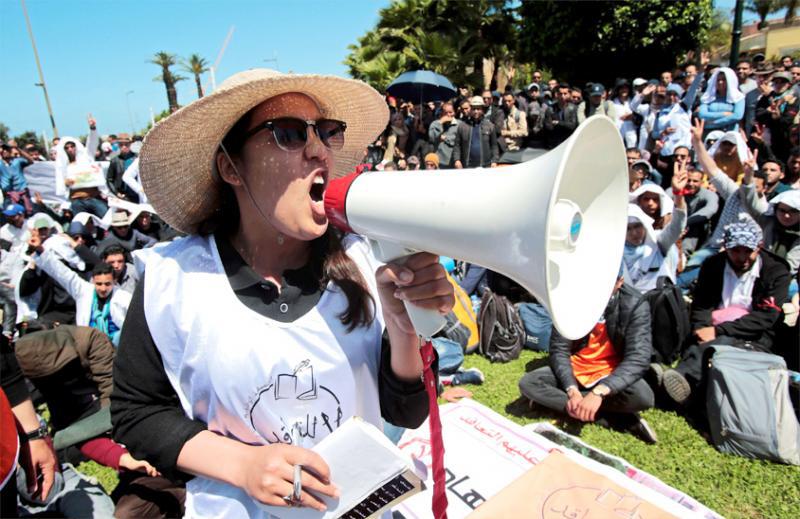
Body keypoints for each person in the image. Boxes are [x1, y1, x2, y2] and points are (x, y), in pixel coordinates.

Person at [110, 68, 453, 516]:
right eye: (288, 133)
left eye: (328, 132)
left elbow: (405, 413)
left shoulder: (364, 262)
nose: (319, 150)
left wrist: (404, 329)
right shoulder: (171, 280)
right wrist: (244, 465)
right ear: (231, 167)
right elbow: (136, 412)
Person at [660, 220, 791, 406]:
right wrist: (702, 329)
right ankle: (680, 385)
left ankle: (683, 379)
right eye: (736, 251)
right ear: (726, 248)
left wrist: (719, 331)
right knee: (695, 340)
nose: (742, 257)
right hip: (713, 326)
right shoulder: (713, 265)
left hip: (754, 335)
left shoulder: (776, 272)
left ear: (759, 247)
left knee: (721, 345)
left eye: (748, 251)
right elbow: (702, 305)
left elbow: (766, 317)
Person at [518, 275, 657, 444]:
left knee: (643, 397)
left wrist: (599, 392)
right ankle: (618, 419)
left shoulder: (635, 304)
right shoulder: (572, 297)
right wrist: (572, 390)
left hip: (611, 372)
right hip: (577, 366)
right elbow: (559, 349)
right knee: (530, 383)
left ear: (619, 282)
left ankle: (555, 405)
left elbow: (638, 358)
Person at [30, 232, 131, 345]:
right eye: (99, 284)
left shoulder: (124, 298)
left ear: (114, 282)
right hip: (89, 346)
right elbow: (62, 273)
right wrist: (40, 249)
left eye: (107, 284)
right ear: (93, 281)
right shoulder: (84, 291)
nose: (103, 288)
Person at [453, 96, 499, 169]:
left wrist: (494, 160)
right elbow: (457, 145)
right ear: (470, 109)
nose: (476, 111)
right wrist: (457, 160)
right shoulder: (462, 126)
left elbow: (494, 146)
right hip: (467, 166)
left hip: (486, 166)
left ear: (482, 110)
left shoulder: (490, 126)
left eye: (478, 109)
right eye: (474, 109)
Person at [698, 67, 745, 132]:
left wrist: (715, 123)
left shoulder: (738, 97)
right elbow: (702, 114)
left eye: (724, 80)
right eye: (718, 80)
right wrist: (724, 114)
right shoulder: (707, 97)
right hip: (709, 133)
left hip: (729, 133)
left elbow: (737, 116)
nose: (720, 82)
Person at [427, 102, 458, 168]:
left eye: (450, 112)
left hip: (452, 161)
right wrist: (440, 122)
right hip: (438, 162)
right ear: (442, 113)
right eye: (445, 112)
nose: (448, 115)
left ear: (454, 112)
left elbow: (458, 142)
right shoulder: (435, 123)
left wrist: (445, 138)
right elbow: (432, 138)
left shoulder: (459, 125)